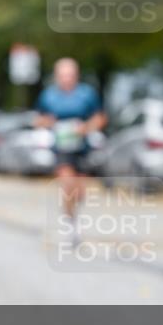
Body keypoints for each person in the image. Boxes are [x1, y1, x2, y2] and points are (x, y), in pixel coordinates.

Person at [34, 58, 106, 245]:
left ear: (76, 76)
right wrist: (48, 123)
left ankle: (75, 217)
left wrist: (86, 127)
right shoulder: (48, 96)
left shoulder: (87, 94)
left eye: (70, 75)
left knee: (79, 191)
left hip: (82, 146)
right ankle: (69, 225)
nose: (67, 79)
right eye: (63, 75)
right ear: (57, 77)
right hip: (61, 147)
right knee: (67, 185)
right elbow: (38, 120)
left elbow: (100, 118)